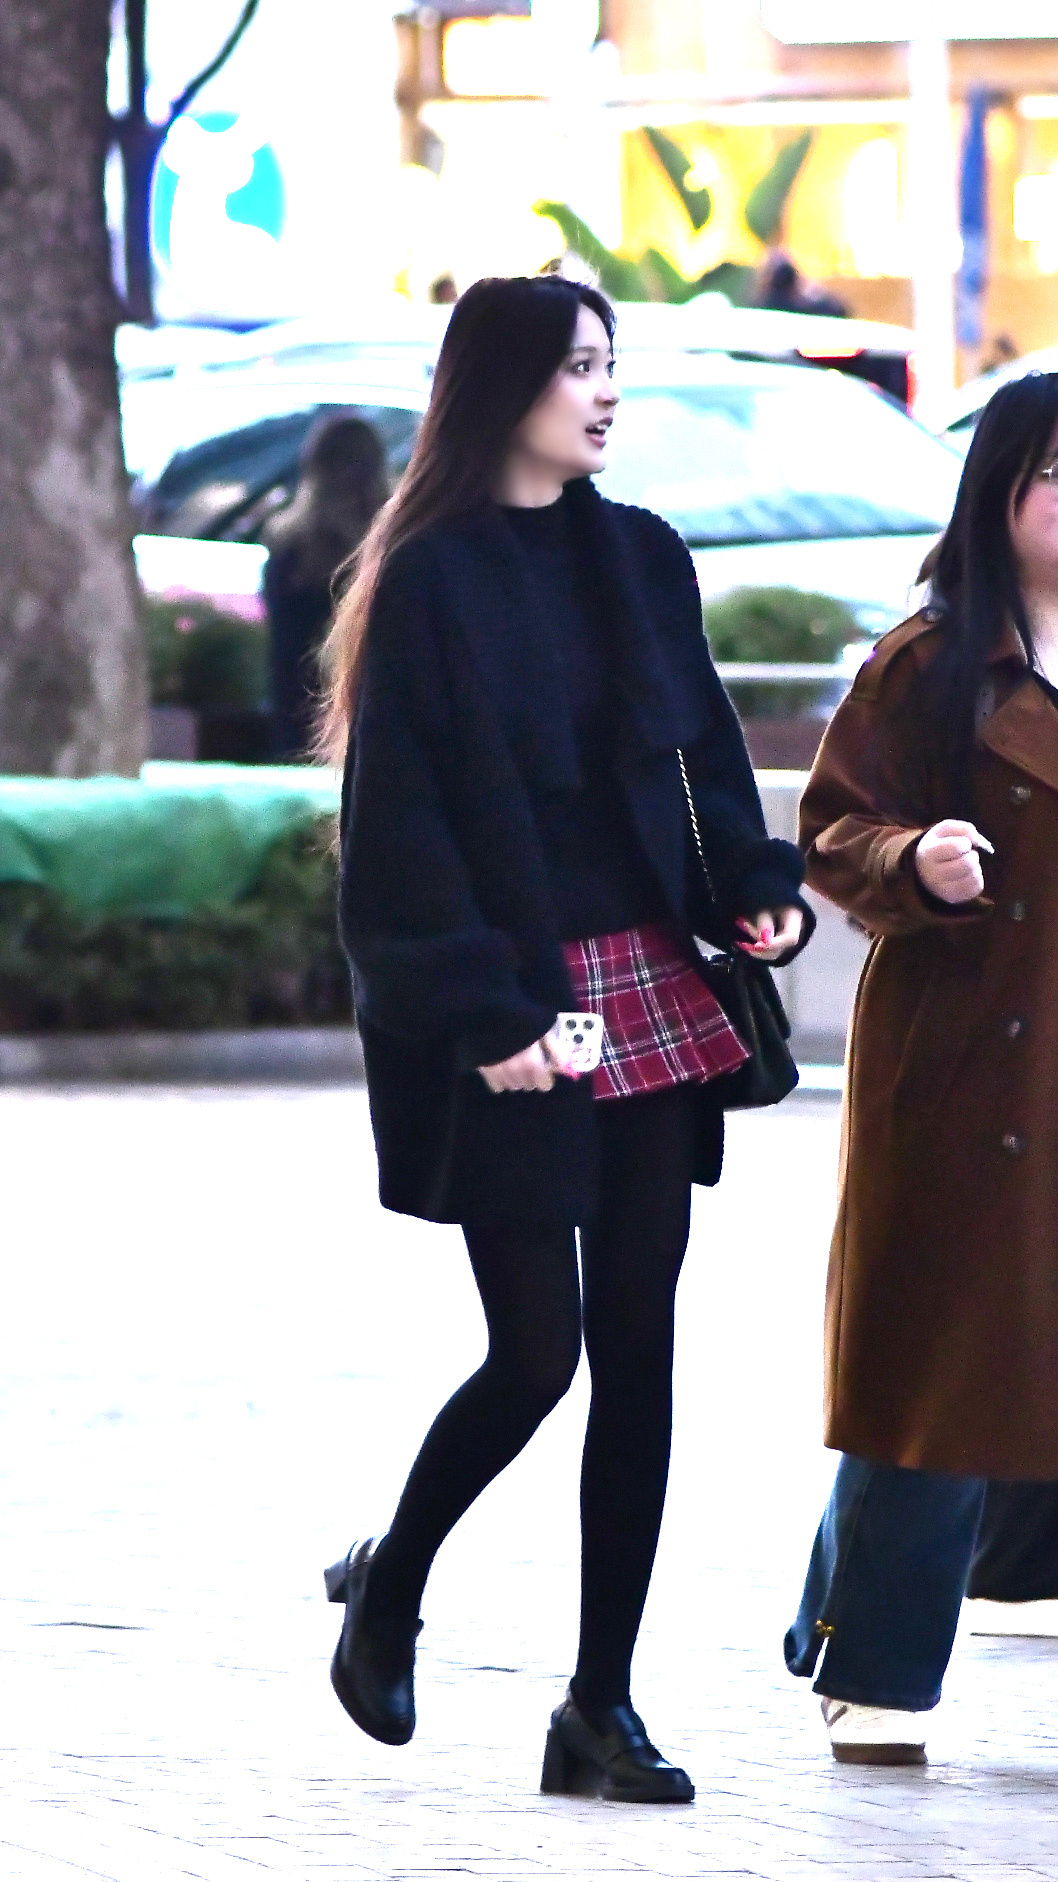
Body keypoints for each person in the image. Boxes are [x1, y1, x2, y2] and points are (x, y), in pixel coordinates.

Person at [317, 274, 811, 1802]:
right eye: (578, 366)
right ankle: (391, 1580)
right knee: (535, 1351)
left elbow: (702, 754)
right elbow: (396, 831)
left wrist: (755, 887)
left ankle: (599, 1705)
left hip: (645, 982)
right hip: (516, 998)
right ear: (504, 385)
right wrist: (485, 1013)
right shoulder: (430, 579)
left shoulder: (638, 555)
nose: (604, 391)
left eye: (611, 363)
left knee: (640, 1351)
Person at [785, 371, 1058, 1763]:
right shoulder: (928, 662)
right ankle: (866, 1658)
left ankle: (1016, 1569)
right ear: (996, 491)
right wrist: (914, 857)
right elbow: (832, 829)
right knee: (930, 1361)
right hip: (963, 1060)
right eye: (1054, 474)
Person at [263, 413, 388, 760]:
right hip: (373, 716)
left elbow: (284, 647)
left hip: (298, 717)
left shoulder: (288, 547)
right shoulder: (391, 547)